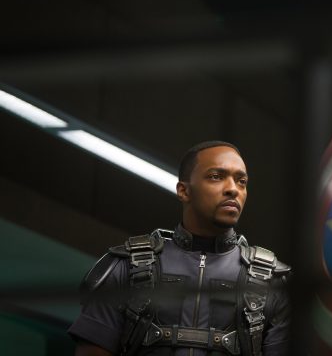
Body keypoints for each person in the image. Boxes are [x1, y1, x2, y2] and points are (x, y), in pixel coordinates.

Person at [68, 141, 292, 356]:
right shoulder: (127, 266)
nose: (233, 189)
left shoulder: (274, 283)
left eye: (241, 181)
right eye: (216, 177)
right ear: (184, 191)